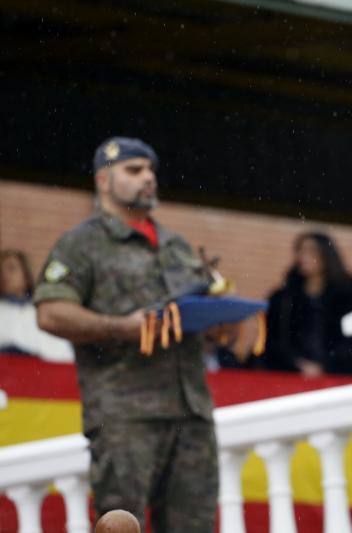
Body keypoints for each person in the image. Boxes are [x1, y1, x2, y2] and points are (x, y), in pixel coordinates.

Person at [34, 137, 218, 532]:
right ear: (103, 180)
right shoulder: (81, 243)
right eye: (134, 170)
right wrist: (121, 327)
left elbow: (194, 316)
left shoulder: (177, 245)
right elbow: (50, 312)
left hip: (191, 411)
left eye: (151, 170)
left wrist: (224, 320)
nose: (148, 178)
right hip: (124, 417)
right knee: (121, 525)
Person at [258, 232, 352, 376]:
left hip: (342, 376)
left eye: (311, 250)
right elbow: (275, 341)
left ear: (326, 254)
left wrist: (327, 366)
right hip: (290, 376)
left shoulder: (351, 294)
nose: (303, 256)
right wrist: (298, 364)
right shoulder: (284, 298)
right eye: (300, 250)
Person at [1, 249, 73, 361]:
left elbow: (61, 355)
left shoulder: (40, 313)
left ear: (26, 275)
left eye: (11, 269)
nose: (4, 275)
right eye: (1, 270)